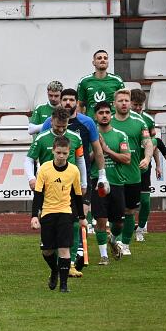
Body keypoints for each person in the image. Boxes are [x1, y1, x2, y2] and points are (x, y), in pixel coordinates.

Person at [40, 88, 109, 270]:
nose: (68, 103)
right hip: (54, 181)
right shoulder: (49, 122)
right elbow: (42, 146)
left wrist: (102, 174)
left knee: (78, 217)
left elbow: (97, 149)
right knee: (56, 219)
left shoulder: (87, 122)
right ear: (60, 102)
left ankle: (75, 256)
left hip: (79, 179)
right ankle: (64, 258)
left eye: (72, 100)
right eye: (65, 99)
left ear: (77, 102)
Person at [25, 107, 87, 277]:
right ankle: (55, 260)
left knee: (74, 222)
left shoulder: (75, 138)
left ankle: (70, 263)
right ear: (51, 121)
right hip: (48, 187)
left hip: (69, 186)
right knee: (49, 227)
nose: (60, 129)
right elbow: (29, 159)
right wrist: (31, 178)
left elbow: (81, 160)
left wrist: (83, 182)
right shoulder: (42, 138)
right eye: (58, 126)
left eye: (64, 126)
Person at [31, 136, 87, 293]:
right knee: (47, 251)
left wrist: (82, 217)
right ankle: (54, 270)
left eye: (65, 153)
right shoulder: (44, 168)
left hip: (65, 213)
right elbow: (38, 194)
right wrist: (34, 216)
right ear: (53, 151)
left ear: (69, 152)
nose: (61, 156)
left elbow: (77, 195)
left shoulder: (74, 170)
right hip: (48, 213)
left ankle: (64, 285)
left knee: (64, 249)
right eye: (58, 153)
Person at [109, 89, 153, 257]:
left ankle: (125, 244)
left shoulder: (139, 122)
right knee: (115, 214)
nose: (124, 103)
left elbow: (148, 143)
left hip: (133, 175)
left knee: (129, 212)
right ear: (114, 103)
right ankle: (115, 238)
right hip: (113, 176)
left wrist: (147, 158)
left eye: (126, 100)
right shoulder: (108, 121)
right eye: (120, 100)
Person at [130, 88, 166, 242]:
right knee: (126, 203)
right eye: (135, 105)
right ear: (129, 103)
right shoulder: (121, 119)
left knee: (145, 201)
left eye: (140, 105)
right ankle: (122, 232)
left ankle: (141, 229)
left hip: (144, 166)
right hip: (127, 166)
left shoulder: (148, 120)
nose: (138, 108)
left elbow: (154, 144)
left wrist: (159, 164)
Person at [90, 101, 131, 264]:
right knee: (100, 219)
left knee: (119, 222)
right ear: (95, 116)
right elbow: (84, 160)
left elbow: (127, 159)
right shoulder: (90, 135)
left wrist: (106, 150)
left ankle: (113, 240)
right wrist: (97, 150)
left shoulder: (120, 135)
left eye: (107, 112)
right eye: (101, 113)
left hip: (117, 182)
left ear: (111, 115)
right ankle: (104, 256)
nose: (104, 115)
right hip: (98, 181)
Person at [77, 49, 125, 118]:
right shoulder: (84, 81)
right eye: (99, 58)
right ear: (93, 62)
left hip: (112, 121)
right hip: (92, 121)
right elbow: (80, 105)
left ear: (108, 62)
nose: (103, 60)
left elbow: (123, 102)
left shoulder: (117, 80)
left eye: (105, 58)